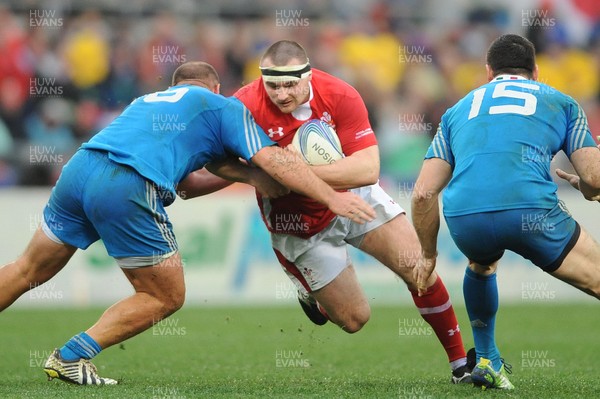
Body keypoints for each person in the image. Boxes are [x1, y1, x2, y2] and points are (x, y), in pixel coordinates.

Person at [0, 61, 376, 385]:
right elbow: (274, 162)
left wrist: (247, 176)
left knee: (27, 269)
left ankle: (70, 355)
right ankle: (71, 357)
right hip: (128, 182)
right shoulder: (221, 106)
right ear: (217, 88)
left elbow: (187, 187)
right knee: (164, 296)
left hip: (80, 169)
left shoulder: (147, 101)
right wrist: (331, 196)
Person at [185, 40, 474, 383]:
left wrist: (289, 171)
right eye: (273, 85)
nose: (280, 93)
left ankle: (460, 366)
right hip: (299, 224)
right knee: (355, 320)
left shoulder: (339, 94)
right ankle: (310, 293)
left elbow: (368, 169)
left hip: (355, 197)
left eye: (290, 84)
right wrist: (253, 174)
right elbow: (213, 160)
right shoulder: (243, 106)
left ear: (307, 76)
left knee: (419, 270)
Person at [411, 33, 600, 390]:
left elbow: (422, 193)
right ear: (536, 71)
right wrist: (585, 188)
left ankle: (487, 361)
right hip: (531, 210)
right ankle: (487, 361)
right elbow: (594, 178)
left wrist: (427, 254)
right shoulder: (562, 102)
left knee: (481, 264)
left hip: (466, 218)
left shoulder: (456, 110)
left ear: (487, 73)